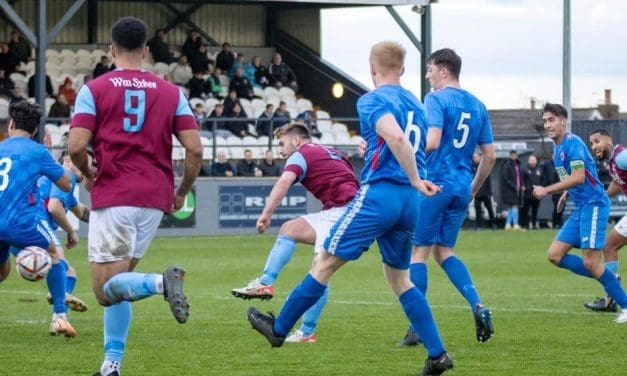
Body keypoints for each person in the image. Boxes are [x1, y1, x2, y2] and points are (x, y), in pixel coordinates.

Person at [246, 41, 453, 375]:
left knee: (325, 262)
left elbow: (397, 139)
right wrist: (414, 179)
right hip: (410, 204)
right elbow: (411, 141)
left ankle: (279, 328)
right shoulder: (417, 103)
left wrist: (414, 177)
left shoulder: (372, 99)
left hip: (381, 195)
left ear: (373, 69)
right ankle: (437, 353)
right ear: (402, 70)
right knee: (401, 280)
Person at [68, 17, 202, 376]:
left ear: (112, 50)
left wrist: (90, 174)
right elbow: (195, 151)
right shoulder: (172, 93)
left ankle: (161, 283)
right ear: (145, 50)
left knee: (104, 290)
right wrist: (182, 191)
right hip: (155, 200)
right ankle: (112, 365)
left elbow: (76, 145)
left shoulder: (95, 89)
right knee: (120, 285)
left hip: (115, 195)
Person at [400, 48, 495, 348]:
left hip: (436, 185)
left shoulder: (436, 99)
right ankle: (478, 305)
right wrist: (472, 189)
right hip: (460, 187)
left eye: (429, 70)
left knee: (419, 254)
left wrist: (406, 161)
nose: (427, 76)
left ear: (443, 71)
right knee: (445, 252)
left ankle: (417, 327)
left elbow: (432, 141)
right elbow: (490, 156)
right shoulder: (478, 105)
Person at [232, 123, 358, 343]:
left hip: (342, 212)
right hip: (348, 211)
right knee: (293, 234)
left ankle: (301, 325)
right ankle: (270, 288)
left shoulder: (301, 154)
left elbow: (284, 182)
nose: (281, 151)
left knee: (320, 270)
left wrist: (266, 214)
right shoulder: (333, 152)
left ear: (296, 140)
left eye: (282, 144)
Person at [532, 103, 627, 325]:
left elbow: (579, 178)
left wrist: (547, 190)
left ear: (563, 121)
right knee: (555, 255)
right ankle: (609, 277)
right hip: (582, 207)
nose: (548, 125)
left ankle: (624, 302)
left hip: (593, 205)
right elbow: (577, 177)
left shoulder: (572, 144)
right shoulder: (558, 149)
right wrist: (566, 192)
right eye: (545, 121)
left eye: (552, 120)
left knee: (592, 261)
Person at [0, 101, 73, 334]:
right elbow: (65, 182)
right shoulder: (38, 151)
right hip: (21, 221)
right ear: (34, 131)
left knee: (2, 272)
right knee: (54, 254)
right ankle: (60, 316)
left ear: (11, 124)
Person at [585, 128, 627, 312]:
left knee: (609, 246)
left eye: (597, 141)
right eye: (592, 144)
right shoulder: (612, 163)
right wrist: (602, 196)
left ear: (609, 140)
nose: (594, 146)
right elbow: (618, 182)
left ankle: (612, 298)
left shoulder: (621, 157)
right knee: (609, 246)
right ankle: (611, 298)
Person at [472, 152, 495, 230]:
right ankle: (478, 226)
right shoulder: (471, 167)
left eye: (476, 157)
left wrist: (489, 192)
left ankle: (493, 224)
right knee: (477, 209)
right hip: (476, 193)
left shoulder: (484, 167)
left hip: (485, 192)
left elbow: (488, 181)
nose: (475, 159)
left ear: (480, 157)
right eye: (474, 158)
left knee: (489, 208)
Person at [501, 150, 523, 230]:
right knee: (514, 206)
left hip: (517, 189)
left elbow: (520, 177)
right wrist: (514, 186)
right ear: (510, 156)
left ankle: (508, 224)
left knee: (511, 207)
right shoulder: (507, 165)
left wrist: (521, 185)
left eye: (515, 155)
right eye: (512, 155)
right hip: (509, 190)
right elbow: (505, 178)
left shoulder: (518, 165)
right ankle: (516, 224)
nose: (514, 157)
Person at [541, 152, 563, 229]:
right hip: (553, 188)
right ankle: (555, 223)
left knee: (561, 207)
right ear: (552, 156)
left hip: (562, 188)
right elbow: (543, 174)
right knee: (556, 207)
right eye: (554, 156)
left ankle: (559, 223)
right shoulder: (547, 164)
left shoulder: (562, 164)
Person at [521, 155, 542, 230]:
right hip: (528, 194)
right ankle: (525, 225)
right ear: (529, 161)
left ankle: (534, 225)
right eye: (531, 160)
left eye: (534, 160)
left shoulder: (539, 169)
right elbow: (521, 179)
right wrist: (523, 186)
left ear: (536, 161)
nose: (533, 162)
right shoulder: (524, 169)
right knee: (525, 210)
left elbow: (542, 180)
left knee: (535, 210)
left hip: (537, 194)